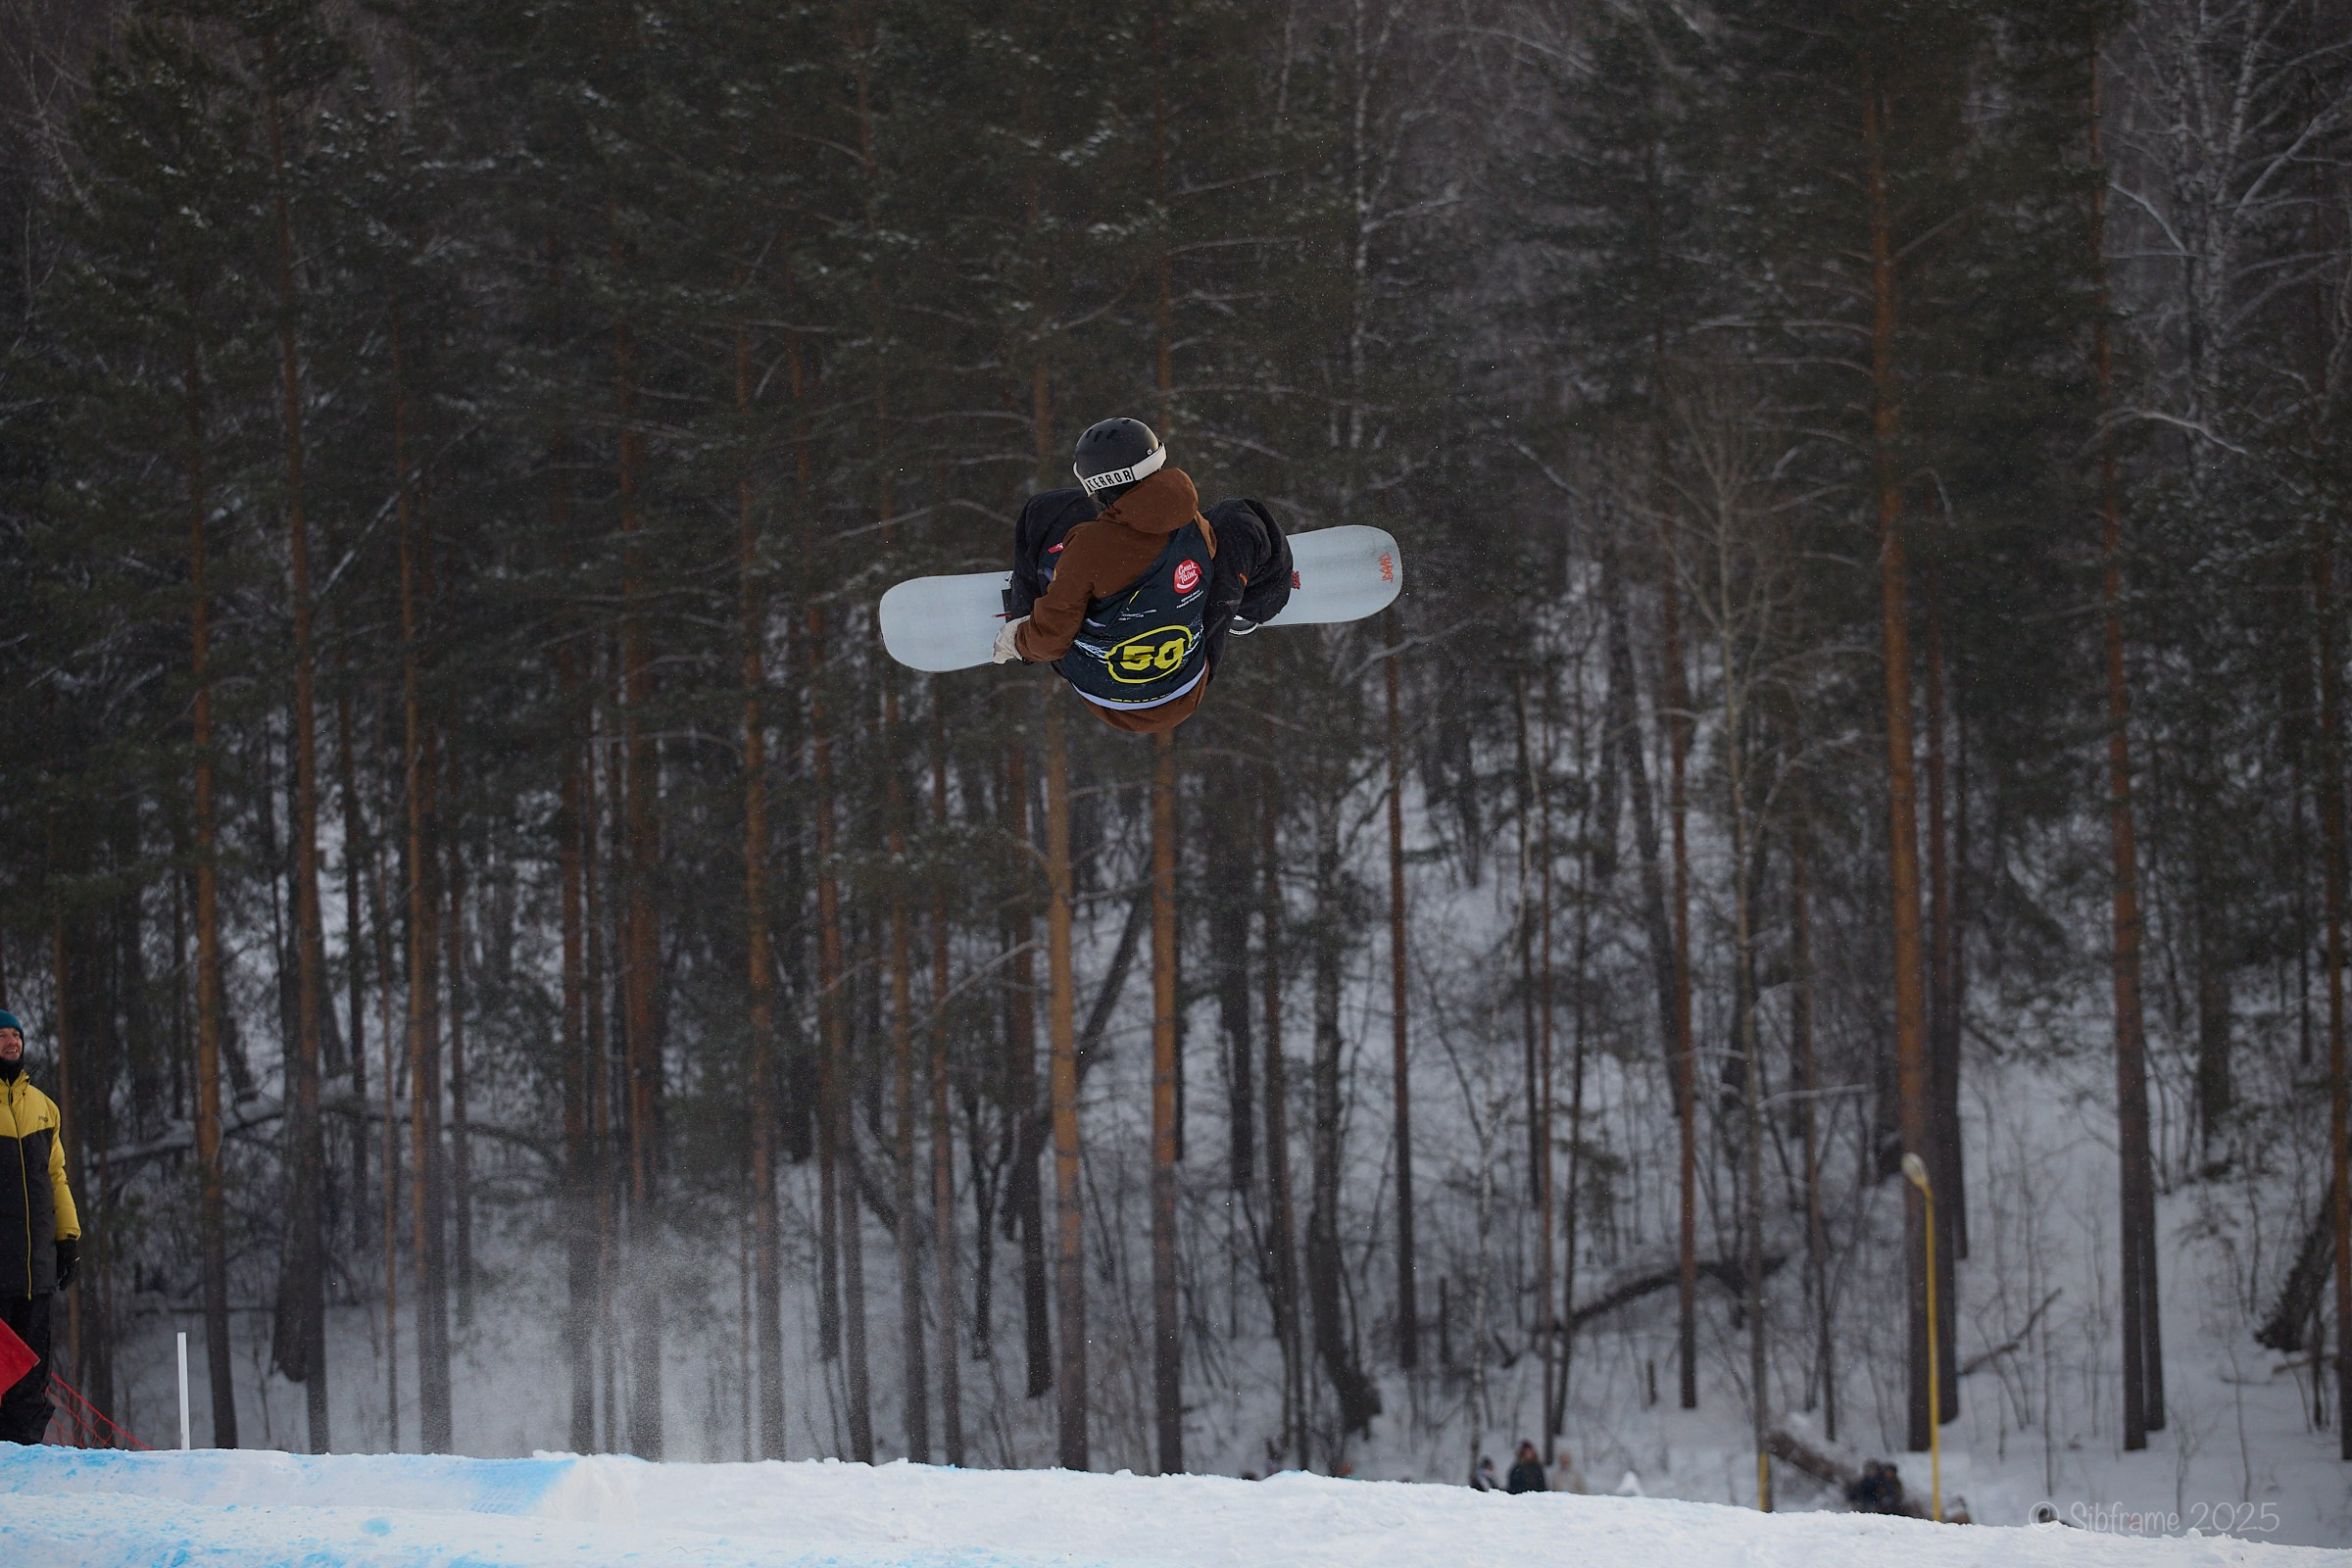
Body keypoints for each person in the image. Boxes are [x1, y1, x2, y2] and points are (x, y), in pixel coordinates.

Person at [993, 417, 1291, 734]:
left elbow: (1052, 639)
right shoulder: (1193, 523)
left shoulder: (1089, 548)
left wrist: (1019, 642)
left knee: (1043, 512)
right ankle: (1257, 600)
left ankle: (1023, 616)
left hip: (1110, 698)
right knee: (1241, 521)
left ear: (1098, 486)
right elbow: (1211, 554)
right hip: (1186, 688)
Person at [0, 1008, 79, 1446]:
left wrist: (68, 1239)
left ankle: (27, 1457)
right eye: (2, 1035)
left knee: (32, 1371)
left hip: (36, 1269)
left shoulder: (44, 1107)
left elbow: (57, 1177)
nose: (12, 1042)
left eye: (16, 1034)